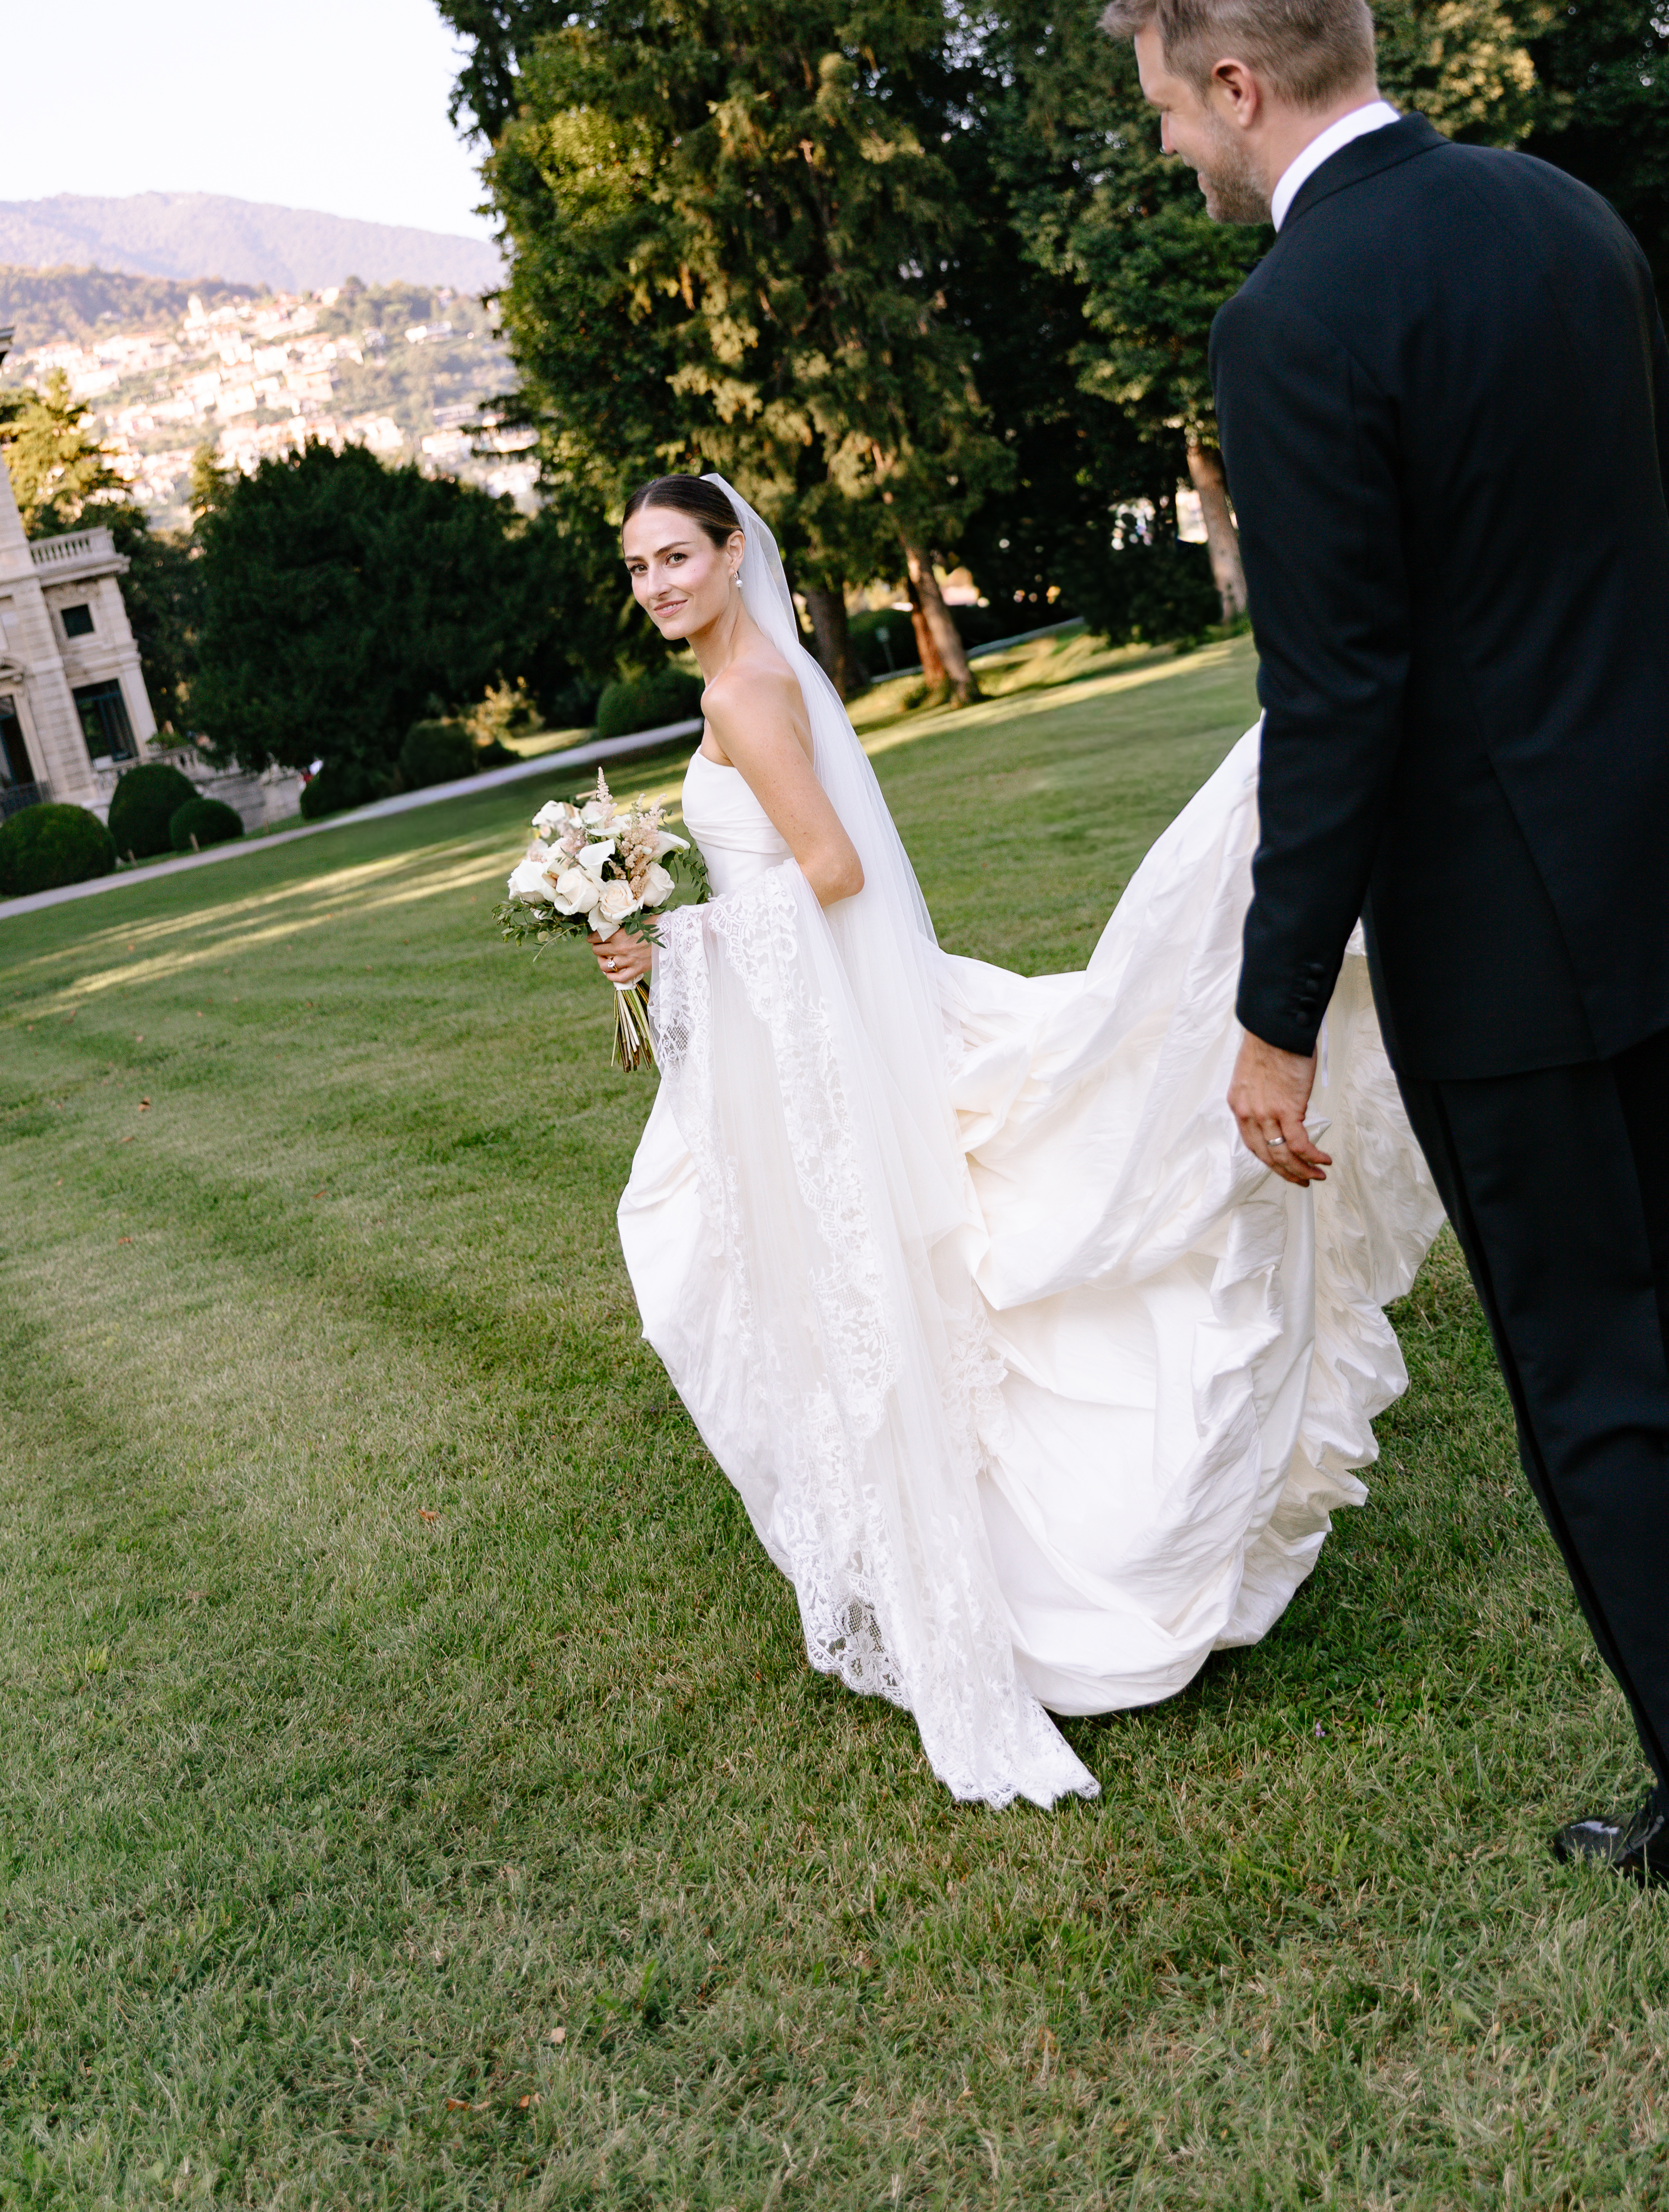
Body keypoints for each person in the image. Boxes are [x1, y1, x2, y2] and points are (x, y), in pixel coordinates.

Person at [1100, 0, 1669, 1908]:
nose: (1175, 147)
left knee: (1587, 1380)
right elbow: (1658, 531)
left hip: (1517, 939)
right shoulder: (1563, 215)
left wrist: (1271, 1015)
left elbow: (1336, 699)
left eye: (1172, 111)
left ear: (1243, 84)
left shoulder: (1288, 323)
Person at [598, 469, 1442, 1809]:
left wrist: (676, 945)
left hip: (821, 1024)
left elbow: (831, 873)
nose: (656, 584)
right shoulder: (758, 678)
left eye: (675, 558)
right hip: (817, 1022)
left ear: (732, 557)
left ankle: (1037, 1572)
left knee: (792, 1256)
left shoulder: (741, 694)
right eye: (638, 566)